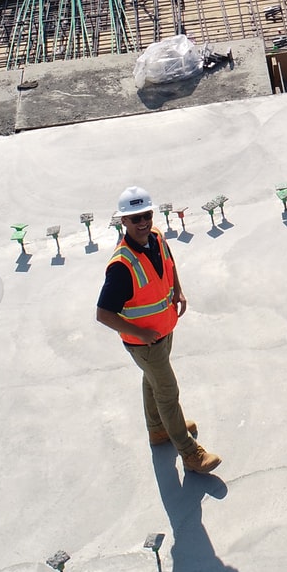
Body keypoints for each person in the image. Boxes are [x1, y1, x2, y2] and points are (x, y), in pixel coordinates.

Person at [94, 186, 221, 475]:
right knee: (167, 391)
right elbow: (103, 314)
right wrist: (140, 334)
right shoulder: (121, 266)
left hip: (163, 331)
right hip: (145, 343)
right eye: (135, 218)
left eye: (147, 215)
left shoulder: (157, 238)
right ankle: (190, 454)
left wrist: (179, 290)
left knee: (152, 382)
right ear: (123, 222)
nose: (143, 223)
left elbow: (169, 263)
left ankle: (158, 430)